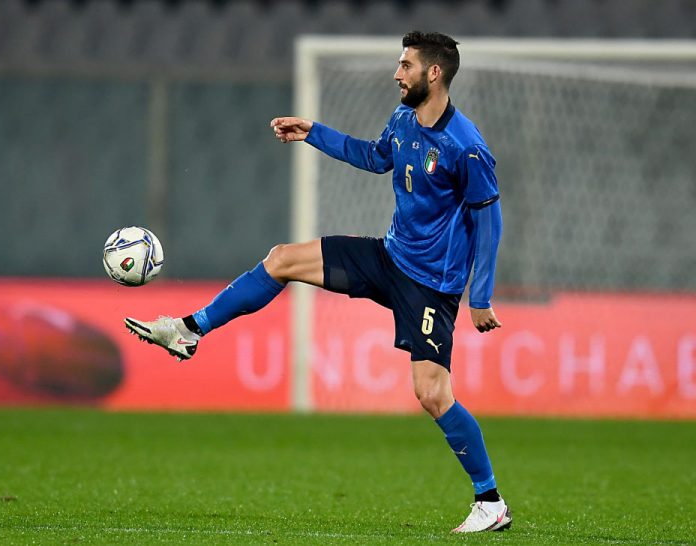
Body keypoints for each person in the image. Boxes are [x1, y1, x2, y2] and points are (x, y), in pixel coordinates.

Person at [125, 31, 509, 533]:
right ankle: (189, 330)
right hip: (388, 257)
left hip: (431, 285)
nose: (397, 74)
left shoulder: (466, 147)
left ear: (433, 73)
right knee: (282, 259)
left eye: (406, 65)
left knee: (433, 395)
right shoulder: (404, 119)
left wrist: (480, 295)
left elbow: (489, 220)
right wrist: (313, 132)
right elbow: (375, 157)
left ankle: (490, 502)